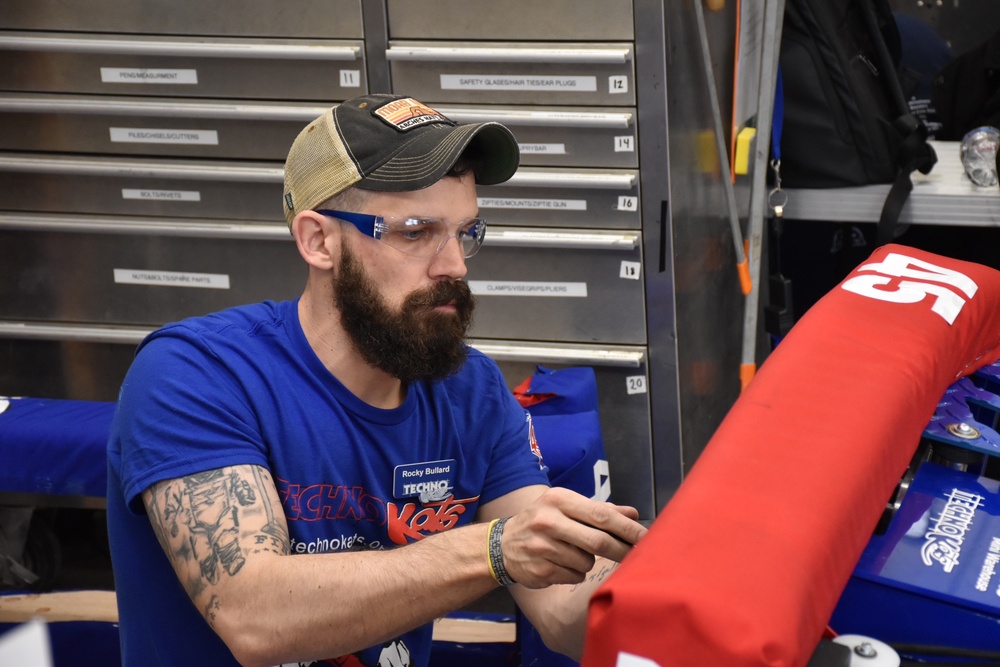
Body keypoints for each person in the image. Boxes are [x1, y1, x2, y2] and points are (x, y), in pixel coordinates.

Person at [106, 93, 647, 667]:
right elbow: (253, 616)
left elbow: (565, 613)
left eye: (465, 232)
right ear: (319, 241)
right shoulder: (197, 373)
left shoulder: (471, 391)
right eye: (415, 232)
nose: (454, 266)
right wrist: (494, 548)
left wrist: (665, 578)